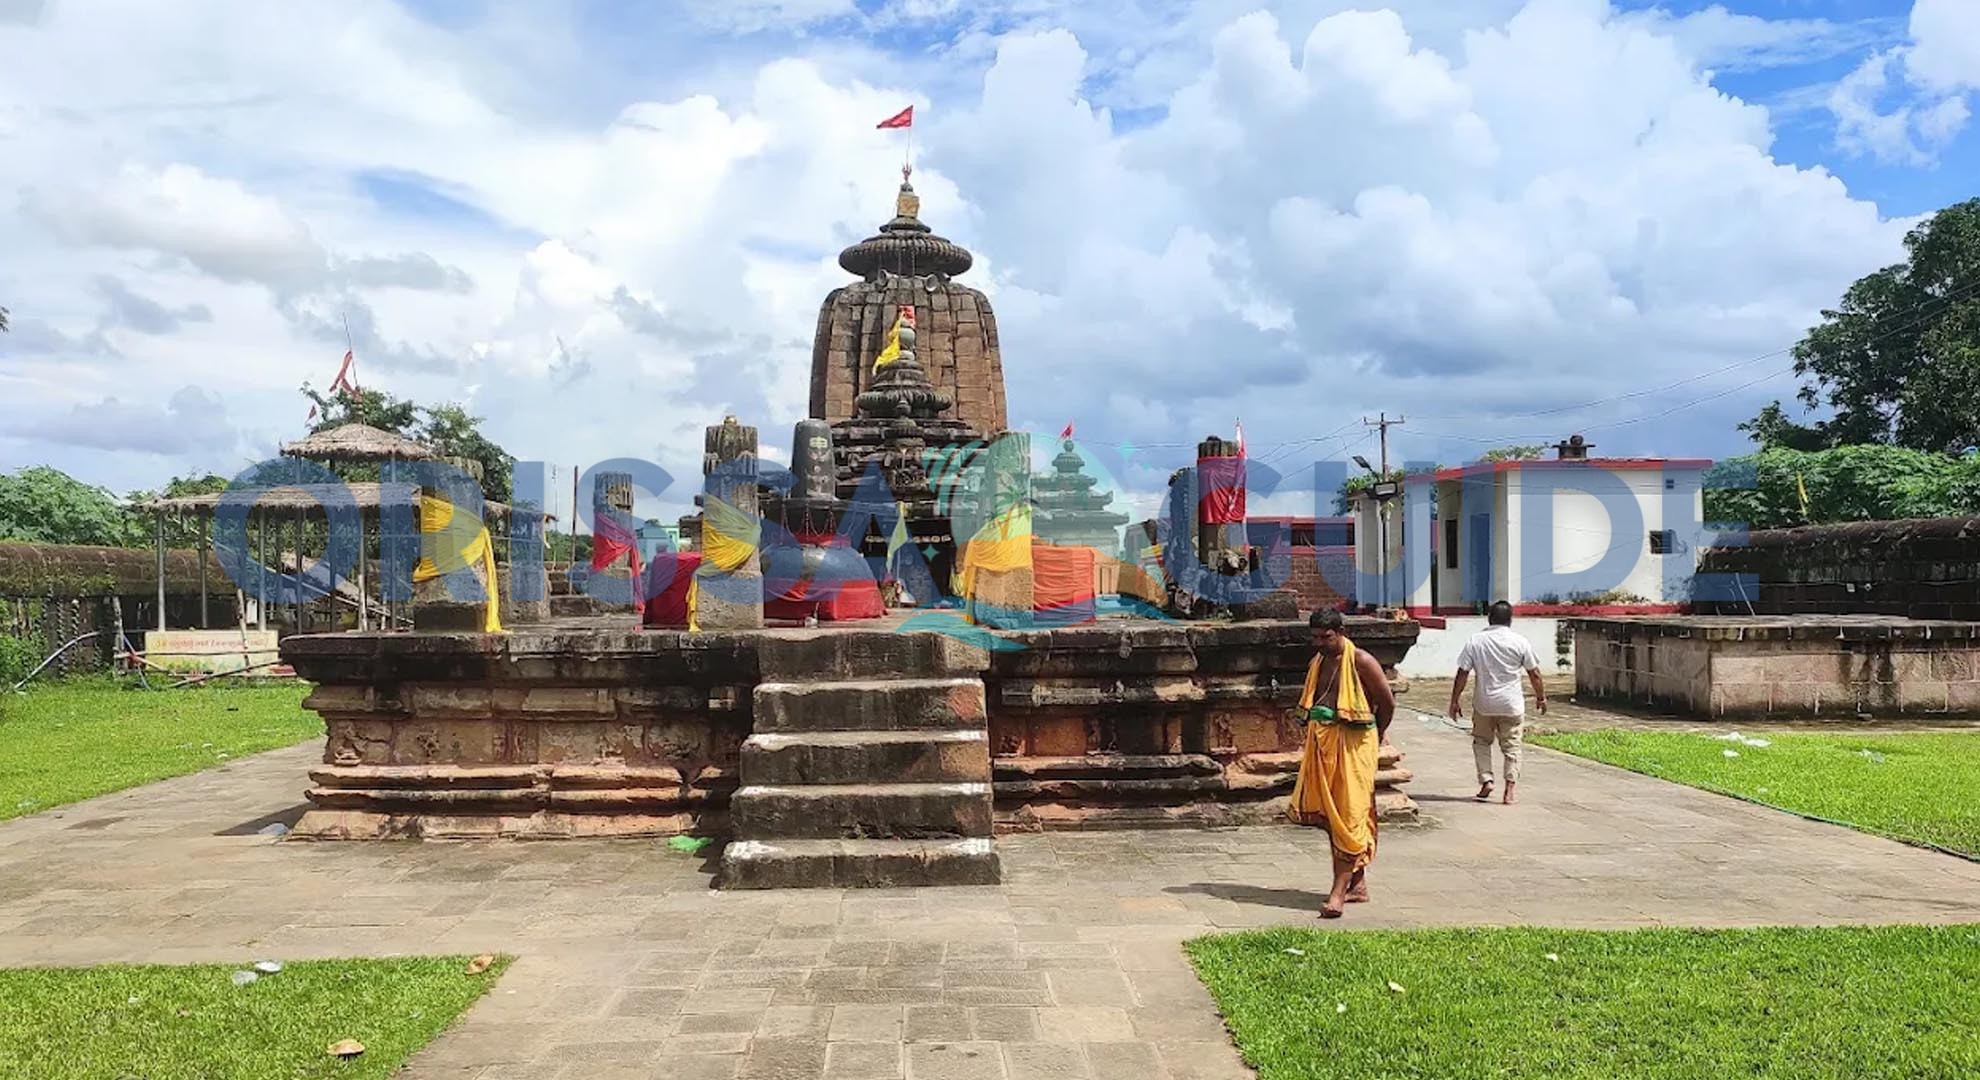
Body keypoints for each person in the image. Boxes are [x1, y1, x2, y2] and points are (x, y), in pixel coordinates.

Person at [1286, 609, 1396, 919]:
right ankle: (1357, 885)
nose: (1320, 643)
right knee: (1334, 817)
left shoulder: (1362, 661)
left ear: (1341, 632)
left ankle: (1337, 893)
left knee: (1350, 815)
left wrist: (1377, 733)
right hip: (1323, 742)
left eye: (1326, 637)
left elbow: (1387, 703)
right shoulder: (1317, 662)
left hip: (1355, 745)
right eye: (1316, 637)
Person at [1448, 601, 1547, 805]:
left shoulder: (1475, 641)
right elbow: (1534, 673)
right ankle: (1509, 790)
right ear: (1510, 619)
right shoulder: (1520, 642)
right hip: (1512, 704)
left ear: (1489, 618)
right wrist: (1541, 697)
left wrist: (1455, 700)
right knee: (1512, 746)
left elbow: (1462, 672)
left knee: (1481, 742)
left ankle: (1487, 780)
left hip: (1484, 703)